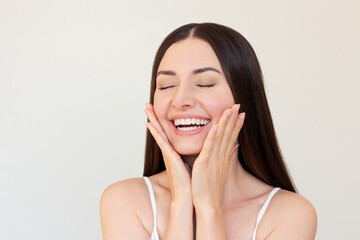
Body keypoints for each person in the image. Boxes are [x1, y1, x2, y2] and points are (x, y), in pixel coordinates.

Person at [100, 23, 317, 240]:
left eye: (205, 83)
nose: (180, 100)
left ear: (244, 97)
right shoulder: (124, 201)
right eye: (166, 86)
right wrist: (182, 201)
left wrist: (208, 206)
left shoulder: (289, 215)